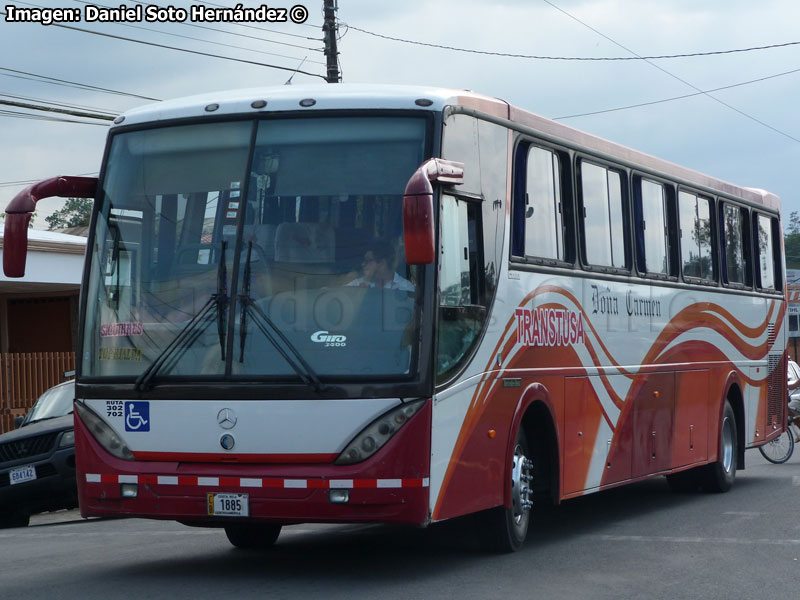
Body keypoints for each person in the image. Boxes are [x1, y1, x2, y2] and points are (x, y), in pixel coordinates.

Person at [346, 242, 415, 292]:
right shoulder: (358, 285)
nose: (363, 264)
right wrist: (358, 295)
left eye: (368, 261)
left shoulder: (405, 288)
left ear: (382, 263)